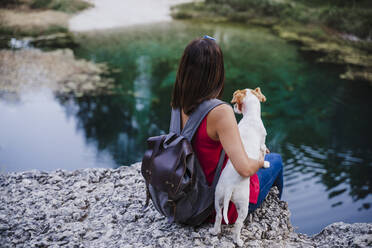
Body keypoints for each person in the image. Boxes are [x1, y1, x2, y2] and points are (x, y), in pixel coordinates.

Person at [171, 35, 283, 224]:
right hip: (216, 204)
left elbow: (202, 142)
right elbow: (245, 169)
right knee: (276, 161)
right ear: (216, 72)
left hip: (184, 196)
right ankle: (277, 218)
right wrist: (259, 159)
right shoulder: (220, 111)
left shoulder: (178, 100)